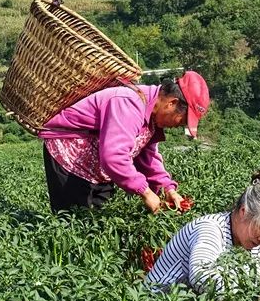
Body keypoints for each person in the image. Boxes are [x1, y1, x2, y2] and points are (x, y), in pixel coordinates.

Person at [38, 71, 209, 213]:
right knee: (74, 222)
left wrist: (167, 188)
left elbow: (148, 159)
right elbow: (114, 157)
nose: (177, 126)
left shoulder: (151, 118)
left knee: (100, 221)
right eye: (181, 121)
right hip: (69, 158)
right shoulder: (129, 102)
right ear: (172, 103)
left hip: (96, 166)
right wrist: (146, 192)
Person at [145, 173, 260, 294]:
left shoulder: (257, 244)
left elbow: (248, 281)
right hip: (155, 300)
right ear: (244, 212)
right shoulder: (211, 229)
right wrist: (242, 294)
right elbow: (201, 278)